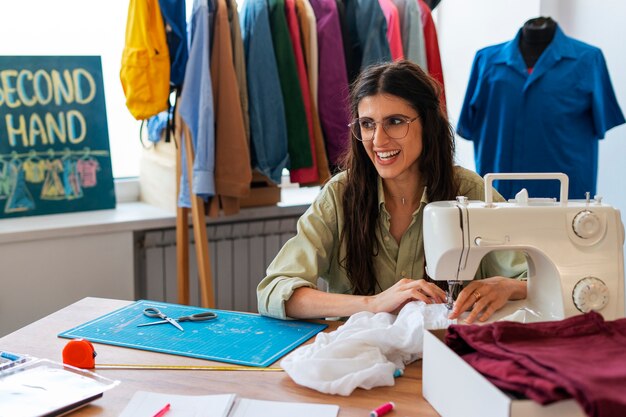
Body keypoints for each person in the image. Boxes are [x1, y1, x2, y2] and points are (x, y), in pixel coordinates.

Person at [257, 60, 527, 324]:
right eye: (367, 124)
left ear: (428, 124)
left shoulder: (470, 192)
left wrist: (506, 286)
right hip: (361, 358)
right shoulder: (339, 196)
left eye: (395, 121)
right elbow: (274, 291)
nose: (378, 140)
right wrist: (372, 304)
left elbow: (539, 278)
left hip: (446, 352)